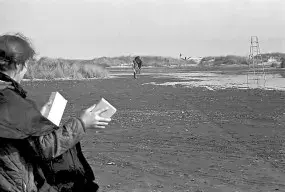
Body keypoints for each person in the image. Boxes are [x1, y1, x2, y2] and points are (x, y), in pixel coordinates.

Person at [0, 33, 112, 192]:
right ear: (18, 66)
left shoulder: (7, 96)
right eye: (26, 64)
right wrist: (82, 123)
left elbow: (15, 131)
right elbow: (44, 149)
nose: (26, 69)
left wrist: (38, 120)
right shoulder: (9, 100)